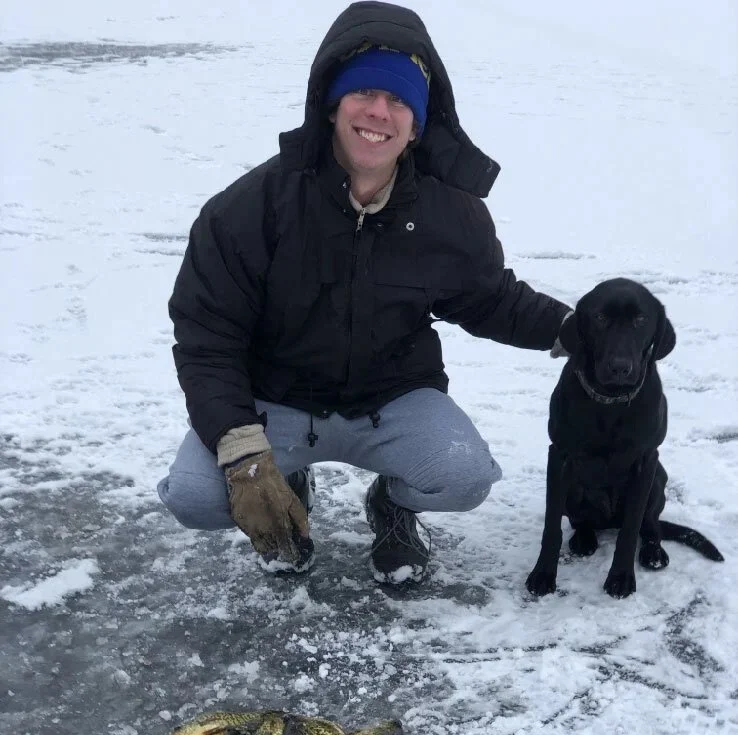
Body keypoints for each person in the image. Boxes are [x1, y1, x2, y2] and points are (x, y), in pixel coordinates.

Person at [157, 1, 572, 585]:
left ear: (417, 122)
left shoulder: (449, 213)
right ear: (332, 104)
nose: (379, 112)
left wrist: (571, 329)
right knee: (198, 496)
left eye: (399, 99)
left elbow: (489, 299)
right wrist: (244, 450)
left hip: (392, 398)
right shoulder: (251, 207)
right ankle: (286, 479)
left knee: (465, 475)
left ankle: (393, 506)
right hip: (275, 402)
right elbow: (207, 336)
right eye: (363, 94)